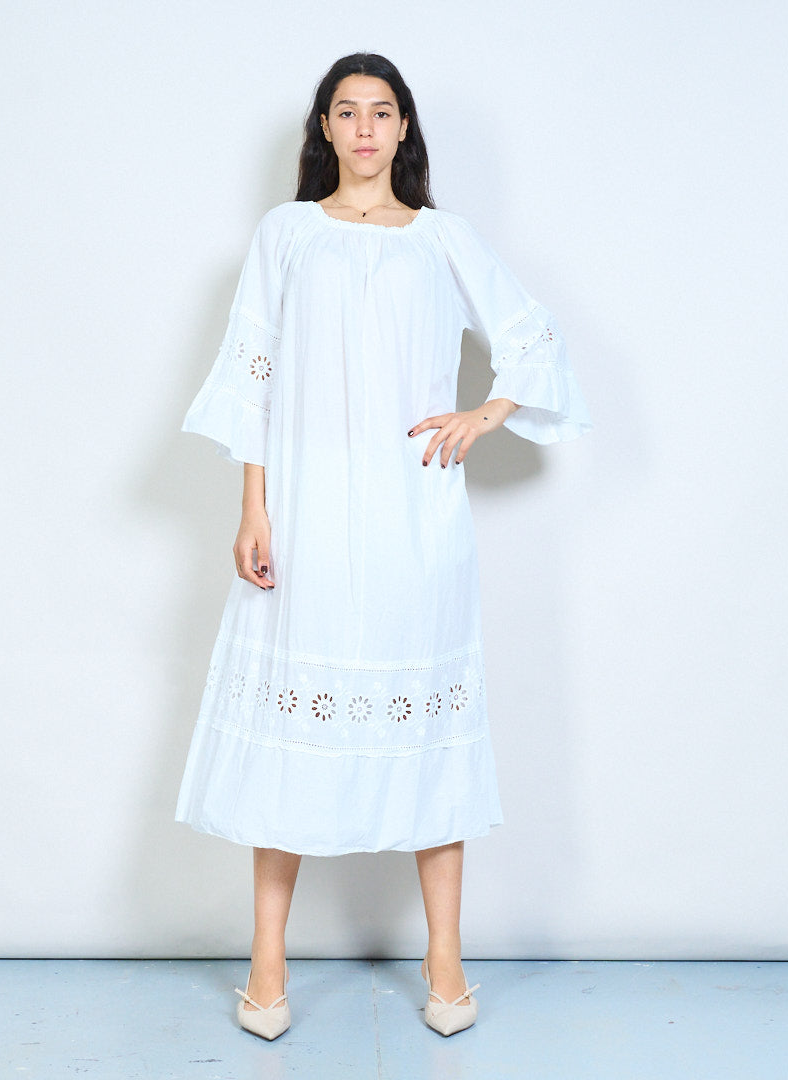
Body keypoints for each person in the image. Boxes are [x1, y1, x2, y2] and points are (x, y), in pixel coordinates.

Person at [175, 52, 591, 1039]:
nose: (365, 128)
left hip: (416, 524)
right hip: (307, 516)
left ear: (404, 130)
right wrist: (253, 508)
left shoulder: (442, 239)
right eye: (347, 111)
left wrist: (484, 414)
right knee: (289, 740)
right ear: (324, 128)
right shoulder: (285, 235)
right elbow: (253, 377)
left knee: (429, 736)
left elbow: (532, 337)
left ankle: (445, 960)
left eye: (382, 112)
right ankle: (267, 964)